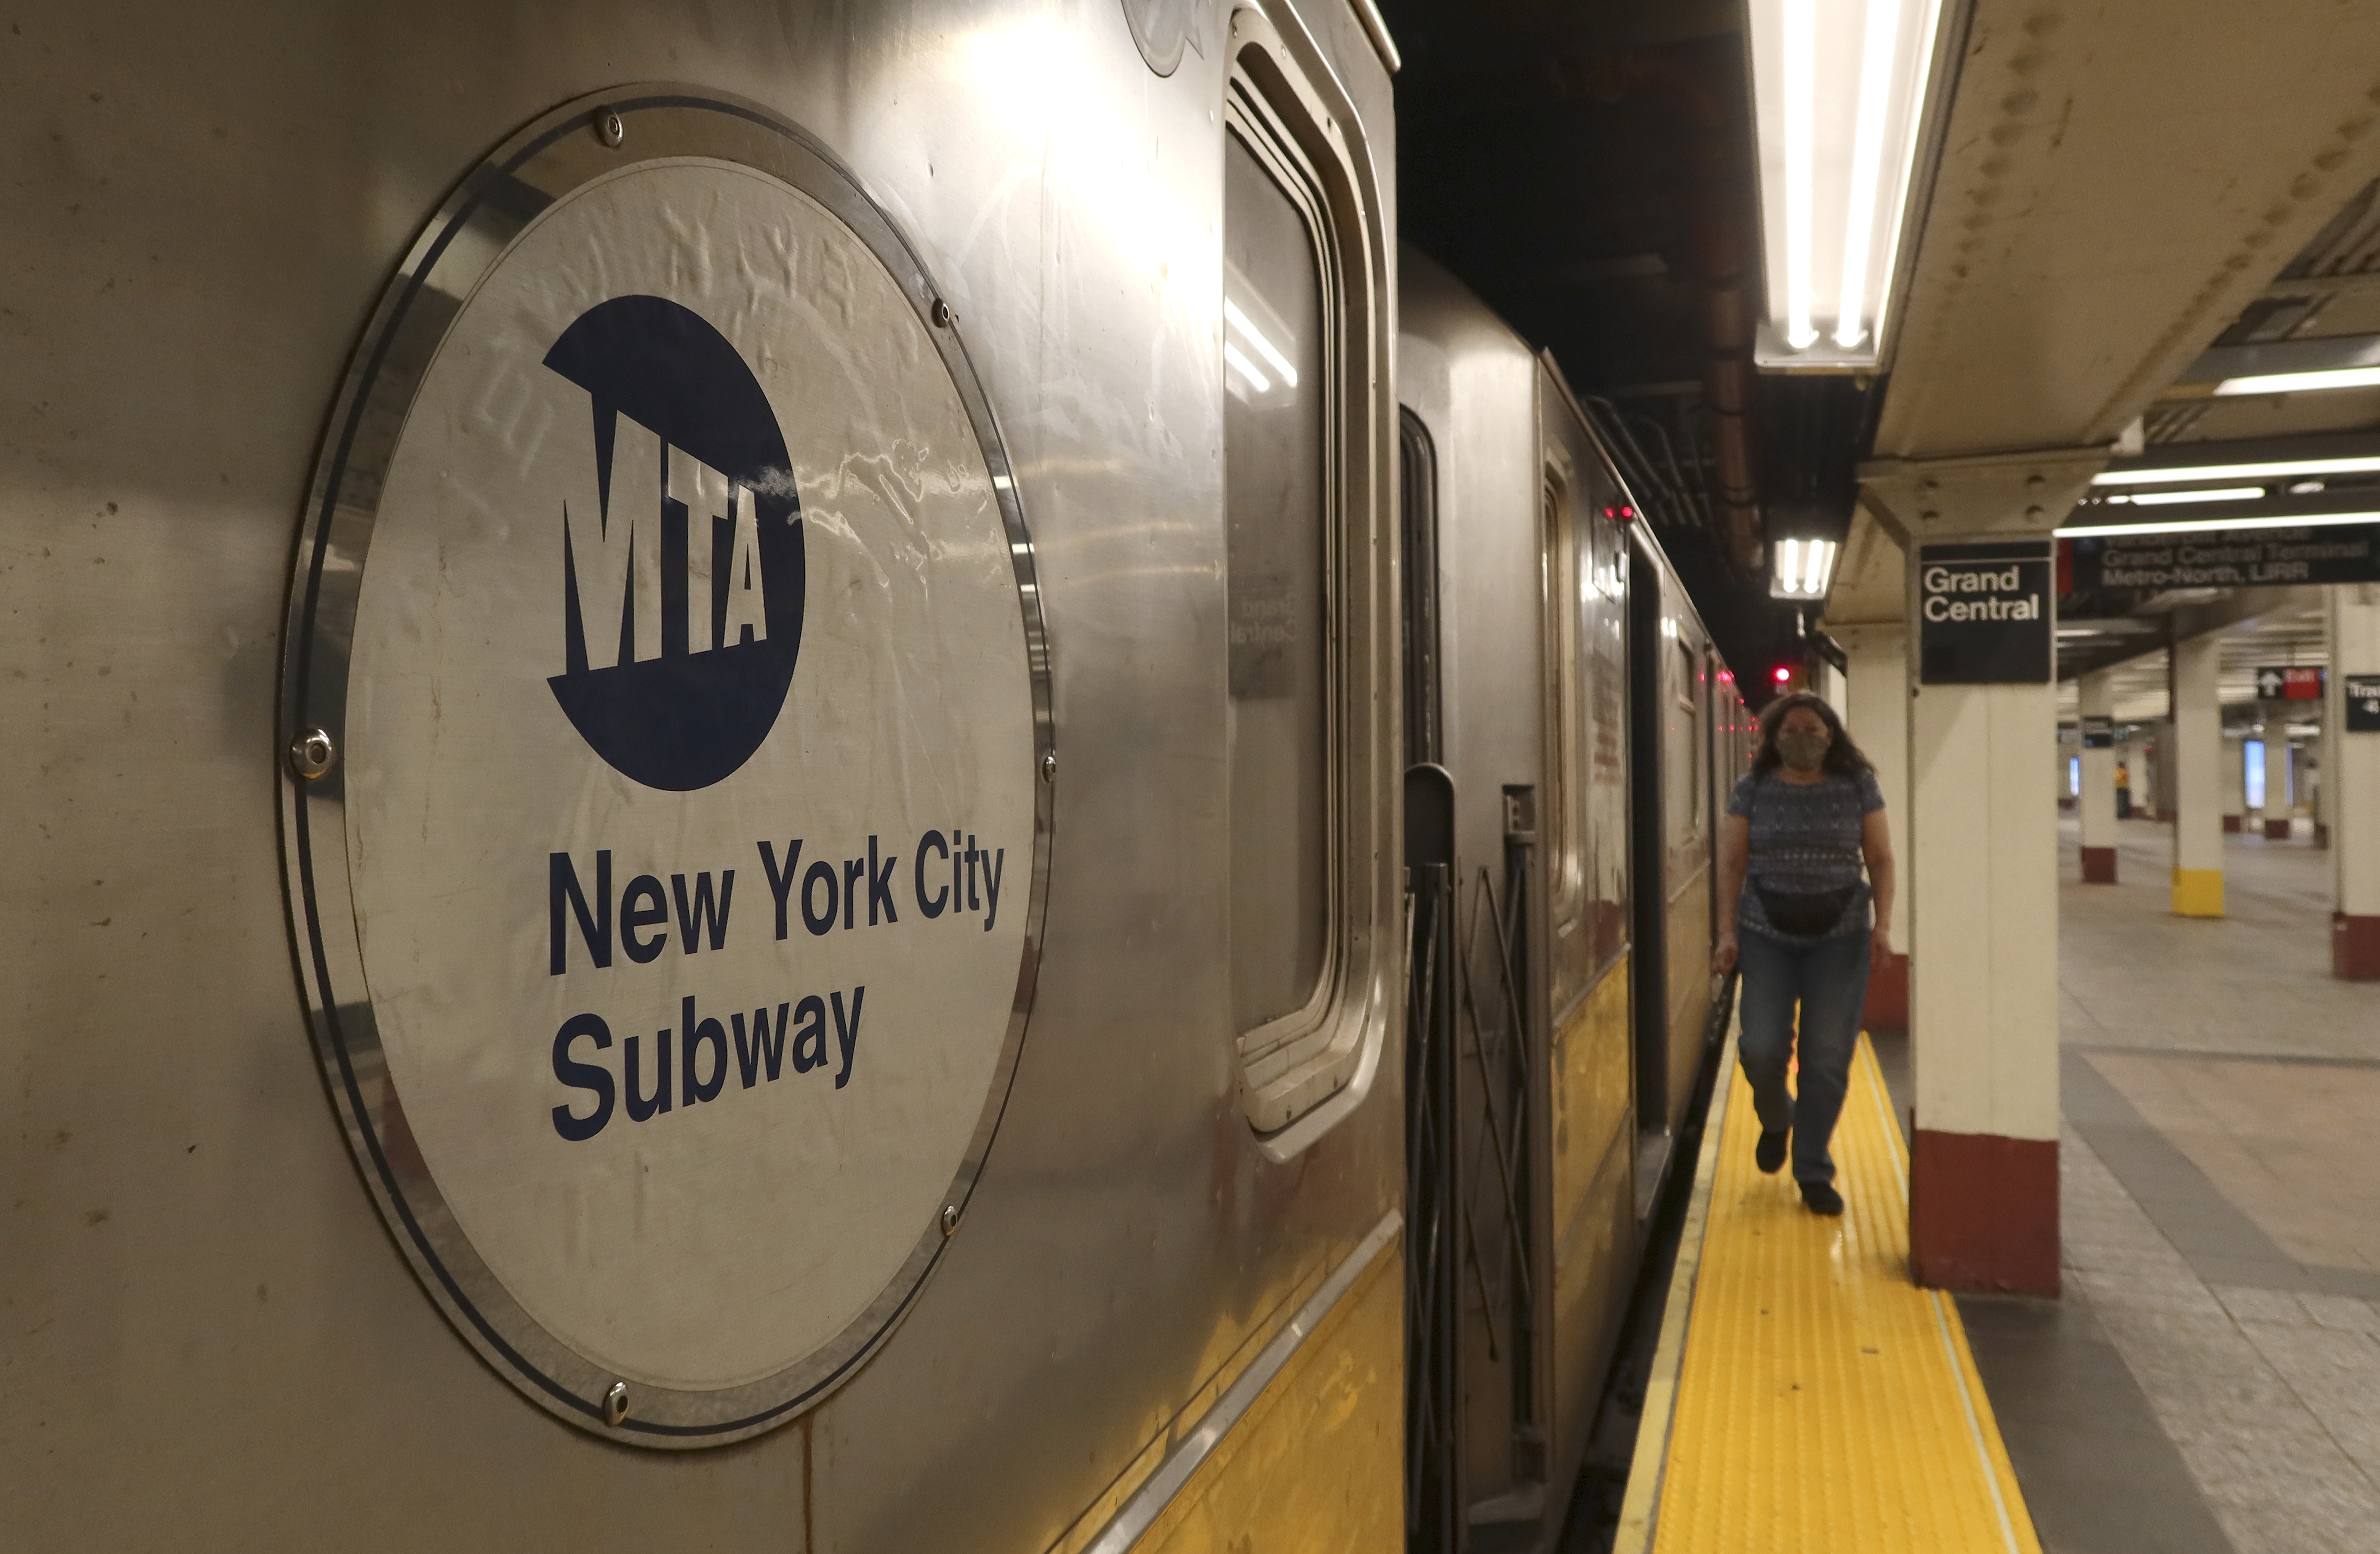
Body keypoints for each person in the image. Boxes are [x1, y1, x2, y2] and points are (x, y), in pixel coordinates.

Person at [1710, 692, 1895, 1217]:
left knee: (1827, 1058)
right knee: (1761, 1048)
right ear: (1772, 738)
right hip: (1764, 932)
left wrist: (1882, 926)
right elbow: (1730, 865)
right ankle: (1776, 1119)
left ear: (1830, 735)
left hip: (1839, 937)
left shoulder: (1857, 787)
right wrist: (1726, 934)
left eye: (1811, 730)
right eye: (1789, 731)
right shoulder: (1751, 790)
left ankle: (1812, 1167)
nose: (1801, 739)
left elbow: (1879, 860)